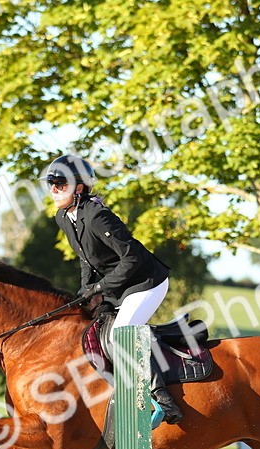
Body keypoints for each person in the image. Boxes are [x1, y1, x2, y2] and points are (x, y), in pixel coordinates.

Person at [45, 154, 183, 425]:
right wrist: (85, 293)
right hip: (118, 286)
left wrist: (99, 287)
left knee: (123, 333)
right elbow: (86, 260)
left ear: (79, 188)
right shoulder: (64, 217)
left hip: (146, 282)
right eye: (51, 183)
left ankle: (163, 399)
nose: (53, 189)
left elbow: (132, 258)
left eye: (60, 183)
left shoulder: (97, 215)